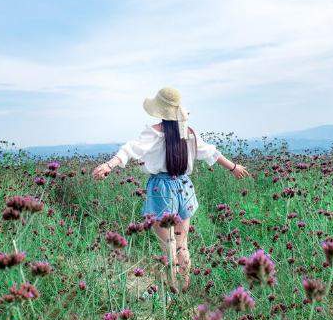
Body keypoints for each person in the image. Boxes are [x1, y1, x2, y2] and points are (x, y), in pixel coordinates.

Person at [92, 87, 249, 293]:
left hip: (161, 189)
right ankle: (182, 291)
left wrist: (109, 165)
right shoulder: (190, 133)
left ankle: (169, 294)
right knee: (182, 245)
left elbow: (130, 149)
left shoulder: (155, 132)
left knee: (168, 246)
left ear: (160, 110)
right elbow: (211, 153)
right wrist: (234, 167)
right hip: (185, 188)